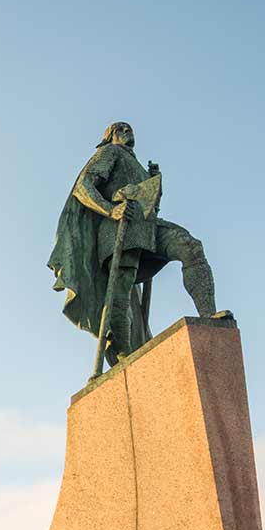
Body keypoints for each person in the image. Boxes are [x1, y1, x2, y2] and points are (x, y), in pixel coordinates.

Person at [48, 121, 218, 368]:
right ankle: (124, 353)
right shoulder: (109, 153)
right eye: (121, 129)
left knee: (190, 247)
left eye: (130, 129)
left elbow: (150, 205)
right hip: (120, 226)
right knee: (121, 287)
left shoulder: (137, 165)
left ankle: (210, 317)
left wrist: (154, 183)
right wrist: (111, 210)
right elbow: (83, 187)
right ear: (110, 137)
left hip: (146, 226)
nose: (128, 132)